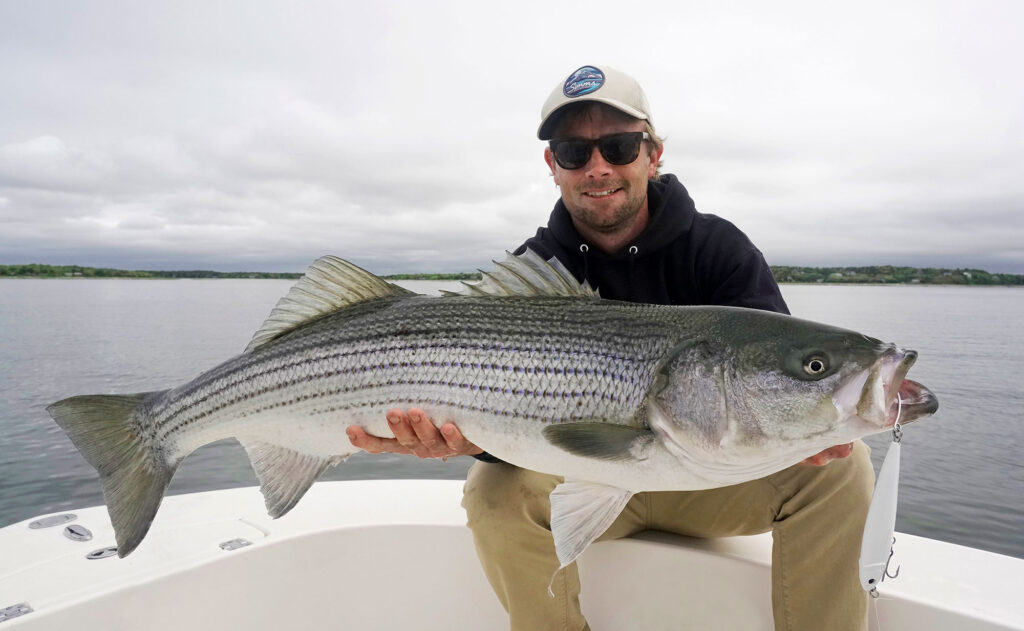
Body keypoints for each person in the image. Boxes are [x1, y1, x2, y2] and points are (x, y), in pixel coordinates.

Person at [346, 65, 873, 631]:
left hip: (711, 482)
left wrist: (804, 430)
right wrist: (460, 440)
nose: (598, 168)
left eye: (619, 147)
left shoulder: (719, 250)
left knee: (842, 470)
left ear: (654, 154)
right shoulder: (536, 271)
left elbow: (775, 379)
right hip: (582, 476)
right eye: (574, 151)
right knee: (492, 493)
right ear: (553, 166)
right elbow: (515, 429)